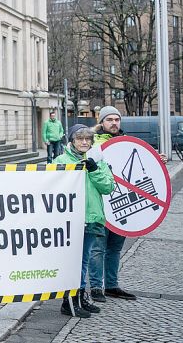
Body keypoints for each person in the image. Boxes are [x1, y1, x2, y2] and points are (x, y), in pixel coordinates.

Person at [54, 124, 114, 318]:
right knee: (73, 262)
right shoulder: (61, 160)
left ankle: (79, 297)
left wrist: (94, 170)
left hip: (91, 217)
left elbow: (108, 186)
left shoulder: (97, 159)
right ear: (72, 140)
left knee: (84, 260)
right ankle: (69, 301)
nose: (85, 142)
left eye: (88, 139)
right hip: (69, 219)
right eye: (80, 139)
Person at [89, 106, 136, 302]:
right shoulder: (92, 144)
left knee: (115, 248)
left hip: (120, 206)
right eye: (110, 120)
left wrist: (157, 161)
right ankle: (96, 287)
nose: (114, 123)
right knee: (98, 248)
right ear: (102, 122)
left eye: (117, 119)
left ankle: (112, 285)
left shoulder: (126, 143)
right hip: (101, 206)